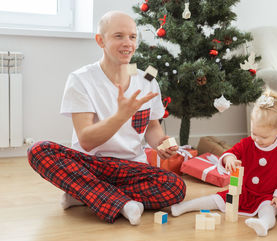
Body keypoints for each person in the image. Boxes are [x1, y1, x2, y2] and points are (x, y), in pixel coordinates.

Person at [27, 11, 186, 225]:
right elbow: (86, 140)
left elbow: (152, 127)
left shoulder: (147, 80)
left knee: (175, 187)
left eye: (132, 36)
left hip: (131, 168)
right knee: (38, 150)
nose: (127, 43)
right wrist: (121, 116)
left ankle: (86, 193)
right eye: (118, 36)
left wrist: (160, 143)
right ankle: (121, 203)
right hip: (91, 164)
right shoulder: (81, 79)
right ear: (100, 40)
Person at [171, 89, 277, 236]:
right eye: (254, 133)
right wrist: (229, 158)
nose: (257, 139)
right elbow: (231, 152)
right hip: (243, 192)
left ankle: (263, 225)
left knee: (269, 210)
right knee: (217, 199)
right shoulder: (247, 143)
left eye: (263, 137)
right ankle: (184, 206)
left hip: (268, 196)